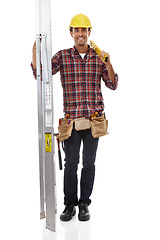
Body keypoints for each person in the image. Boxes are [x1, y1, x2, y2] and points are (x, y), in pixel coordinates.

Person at [31, 13, 118, 222]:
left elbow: (113, 84)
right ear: (71, 33)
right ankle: (69, 204)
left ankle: (84, 204)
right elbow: (40, 75)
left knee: (89, 164)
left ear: (89, 33)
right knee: (71, 164)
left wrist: (108, 62)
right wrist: (35, 50)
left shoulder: (99, 57)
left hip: (93, 121)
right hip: (70, 122)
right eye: (76, 30)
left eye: (84, 30)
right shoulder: (62, 56)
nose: (80, 34)